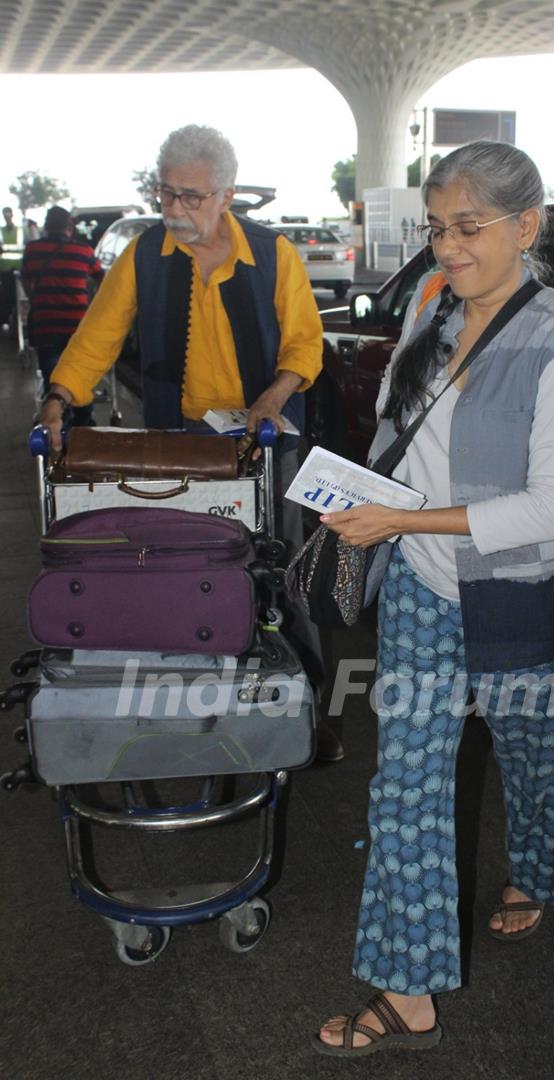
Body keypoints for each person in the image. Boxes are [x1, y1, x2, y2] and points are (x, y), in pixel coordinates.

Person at [312, 140, 554, 1056]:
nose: (447, 247)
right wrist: (367, 500)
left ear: (527, 226)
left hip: (526, 589)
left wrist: (405, 524)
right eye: (438, 227)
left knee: (531, 751)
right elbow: (398, 425)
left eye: (469, 228)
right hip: (424, 590)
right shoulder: (432, 304)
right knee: (404, 783)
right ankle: (407, 988)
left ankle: (537, 873)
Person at [37, 124, 343, 762]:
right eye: (166, 194)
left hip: (265, 439)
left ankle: (309, 712)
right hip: (180, 447)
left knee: (283, 573)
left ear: (227, 195)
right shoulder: (147, 255)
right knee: (182, 570)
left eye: (192, 197)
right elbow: (97, 336)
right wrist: (59, 397)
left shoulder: (273, 254)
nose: (176, 210)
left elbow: (304, 343)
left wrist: (272, 397)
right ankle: (193, 711)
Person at [21, 205, 104, 427]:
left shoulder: (32, 250)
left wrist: (38, 299)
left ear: (47, 226)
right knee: (80, 375)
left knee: (53, 378)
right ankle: (84, 424)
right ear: (69, 226)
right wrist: (93, 304)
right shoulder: (84, 251)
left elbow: (27, 281)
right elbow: (102, 279)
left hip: (45, 325)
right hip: (78, 326)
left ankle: (59, 426)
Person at [0, 206, 23, 326]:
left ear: (12, 215)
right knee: (6, 295)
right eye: (5, 215)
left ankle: (15, 319)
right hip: (4, 267)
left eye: (8, 214)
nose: (7, 217)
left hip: (18, 267)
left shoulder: (20, 230)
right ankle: (6, 319)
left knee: (17, 295)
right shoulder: (1, 231)